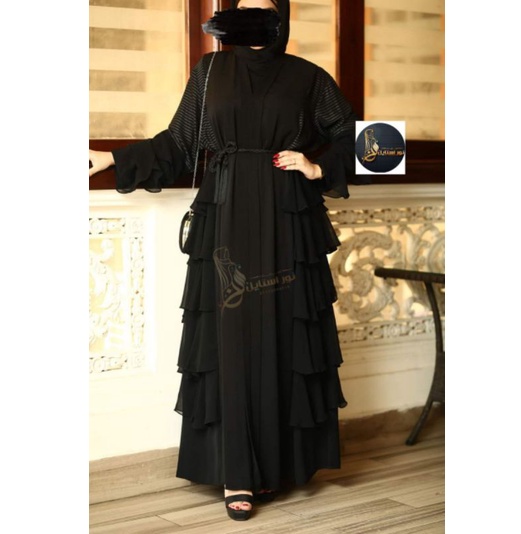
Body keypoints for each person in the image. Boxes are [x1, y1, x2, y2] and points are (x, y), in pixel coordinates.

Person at [89, 0, 356, 521]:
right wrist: (113, 159)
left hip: (287, 215)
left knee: (282, 330)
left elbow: (353, 136)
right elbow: (180, 143)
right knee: (231, 335)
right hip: (227, 211)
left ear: (281, 18)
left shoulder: (308, 77)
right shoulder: (211, 70)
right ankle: (237, 470)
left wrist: (316, 165)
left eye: (264, 9)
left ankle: (277, 464)